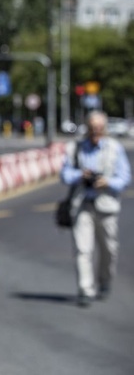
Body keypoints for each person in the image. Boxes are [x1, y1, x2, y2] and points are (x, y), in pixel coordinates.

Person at [60, 111, 131, 307]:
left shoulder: (114, 148)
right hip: (82, 204)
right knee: (83, 249)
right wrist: (80, 175)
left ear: (105, 128)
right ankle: (85, 289)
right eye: (92, 128)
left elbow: (125, 178)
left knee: (109, 250)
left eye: (99, 128)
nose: (95, 132)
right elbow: (64, 174)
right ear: (87, 128)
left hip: (106, 206)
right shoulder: (75, 148)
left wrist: (107, 182)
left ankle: (105, 282)